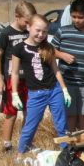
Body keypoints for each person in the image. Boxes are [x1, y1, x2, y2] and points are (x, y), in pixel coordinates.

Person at [10, 15, 70, 155]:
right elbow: (15, 73)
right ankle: (22, 152)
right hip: (36, 93)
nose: (41, 34)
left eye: (44, 31)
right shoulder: (19, 48)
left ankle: (67, 152)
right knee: (30, 125)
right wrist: (14, 94)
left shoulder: (48, 47)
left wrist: (64, 90)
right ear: (28, 27)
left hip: (54, 90)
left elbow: (56, 70)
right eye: (38, 30)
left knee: (61, 124)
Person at [0, 0, 36, 152]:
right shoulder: (6, 33)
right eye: (26, 22)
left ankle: (25, 143)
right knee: (11, 113)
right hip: (12, 80)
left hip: (29, 79)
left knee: (29, 112)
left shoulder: (31, 31)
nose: (28, 25)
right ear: (17, 17)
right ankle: (7, 145)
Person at [53, 0, 84, 132]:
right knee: (70, 114)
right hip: (67, 83)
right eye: (74, 17)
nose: (77, 20)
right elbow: (49, 51)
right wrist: (62, 55)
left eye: (81, 17)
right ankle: (71, 144)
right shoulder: (63, 32)